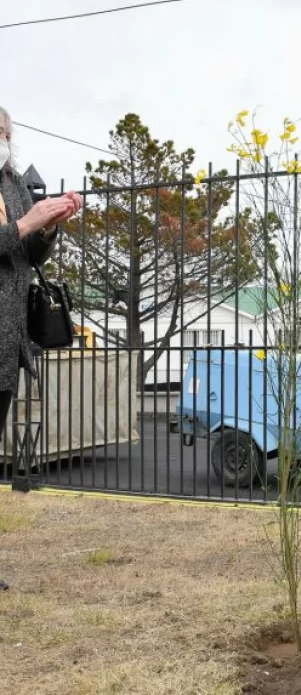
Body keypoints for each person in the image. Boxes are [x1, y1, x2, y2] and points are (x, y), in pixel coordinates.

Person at [0, 106, 81, 591]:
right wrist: (25, 225)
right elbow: (15, 236)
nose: (4, 139)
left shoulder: (11, 185)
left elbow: (26, 254)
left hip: (7, 342)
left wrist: (48, 225)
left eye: (6, 131)